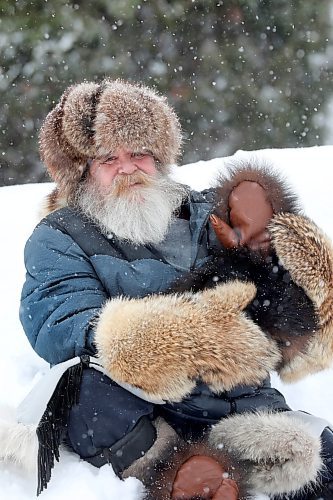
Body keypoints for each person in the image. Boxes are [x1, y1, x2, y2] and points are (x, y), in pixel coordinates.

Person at [17, 79, 333, 499]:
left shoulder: (211, 214)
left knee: (319, 459)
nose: (128, 168)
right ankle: (175, 468)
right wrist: (177, 335)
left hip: (242, 401)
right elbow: (62, 324)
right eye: (109, 158)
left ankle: (239, 461)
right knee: (82, 389)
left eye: (139, 154)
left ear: (159, 158)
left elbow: (293, 322)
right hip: (139, 403)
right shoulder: (59, 236)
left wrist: (281, 249)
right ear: (83, 171)